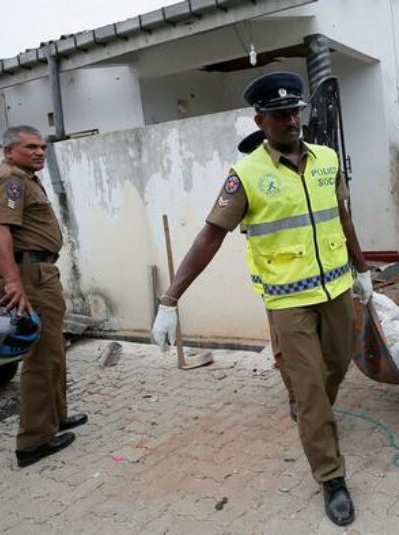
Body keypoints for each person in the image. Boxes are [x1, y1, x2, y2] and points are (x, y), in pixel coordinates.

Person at [150, 72, 372, 526]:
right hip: (289, 301)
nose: (291, 120)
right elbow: (211, 235)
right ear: (261, 120)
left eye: (295, 111)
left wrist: (363, 269)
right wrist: (170, 299)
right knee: (309, 390)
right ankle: (331, 476)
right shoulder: (247, 174)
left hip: (335, 290)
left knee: (339, 364)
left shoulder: (327, 160)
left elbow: (342, 218)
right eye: (279, 114)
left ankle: (315, 415)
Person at [0, 125, 87, 468]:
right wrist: (14, 283)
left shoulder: (24, 177)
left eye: (42, 147)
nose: (40, 152)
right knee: (41, 357)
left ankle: (55, 418)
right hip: (26, 275)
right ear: (9, 150)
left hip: (39, 271)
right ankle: (34, 441)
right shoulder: (8, 179)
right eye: (31, 147)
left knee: (54, 348)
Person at [239, 129, 296, 421]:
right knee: (284, 345)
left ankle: (310, 390)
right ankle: (296, 396)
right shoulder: (252, 186)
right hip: (274, 280)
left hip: (304, 276)